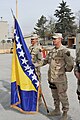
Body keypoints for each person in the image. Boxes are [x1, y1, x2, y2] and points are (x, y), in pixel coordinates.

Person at [43, 33, 74, 120]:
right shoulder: (52, 51)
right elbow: (45, 61)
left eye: (55, 39)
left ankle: (65, 113)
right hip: (52, 78)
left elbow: (70, 64)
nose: (54, 40)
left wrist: (64, 70)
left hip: (60, 79)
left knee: (62, 96)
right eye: (53, 39)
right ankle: (56, 110)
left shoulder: (64, 51)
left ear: (60, 39)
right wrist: (34, 65)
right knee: (55, 96)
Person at [29, 34, 43, 106]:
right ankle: (33, 98)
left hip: (36, 71)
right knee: (31, 85)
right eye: (31, 39)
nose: (32, 41)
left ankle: (39, 100)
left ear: (37, 40)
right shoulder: (30, 48)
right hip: (30, 71)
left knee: (37, 85)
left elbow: (41, 61)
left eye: (33, 39)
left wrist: (34, 65)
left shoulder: (38, 49)